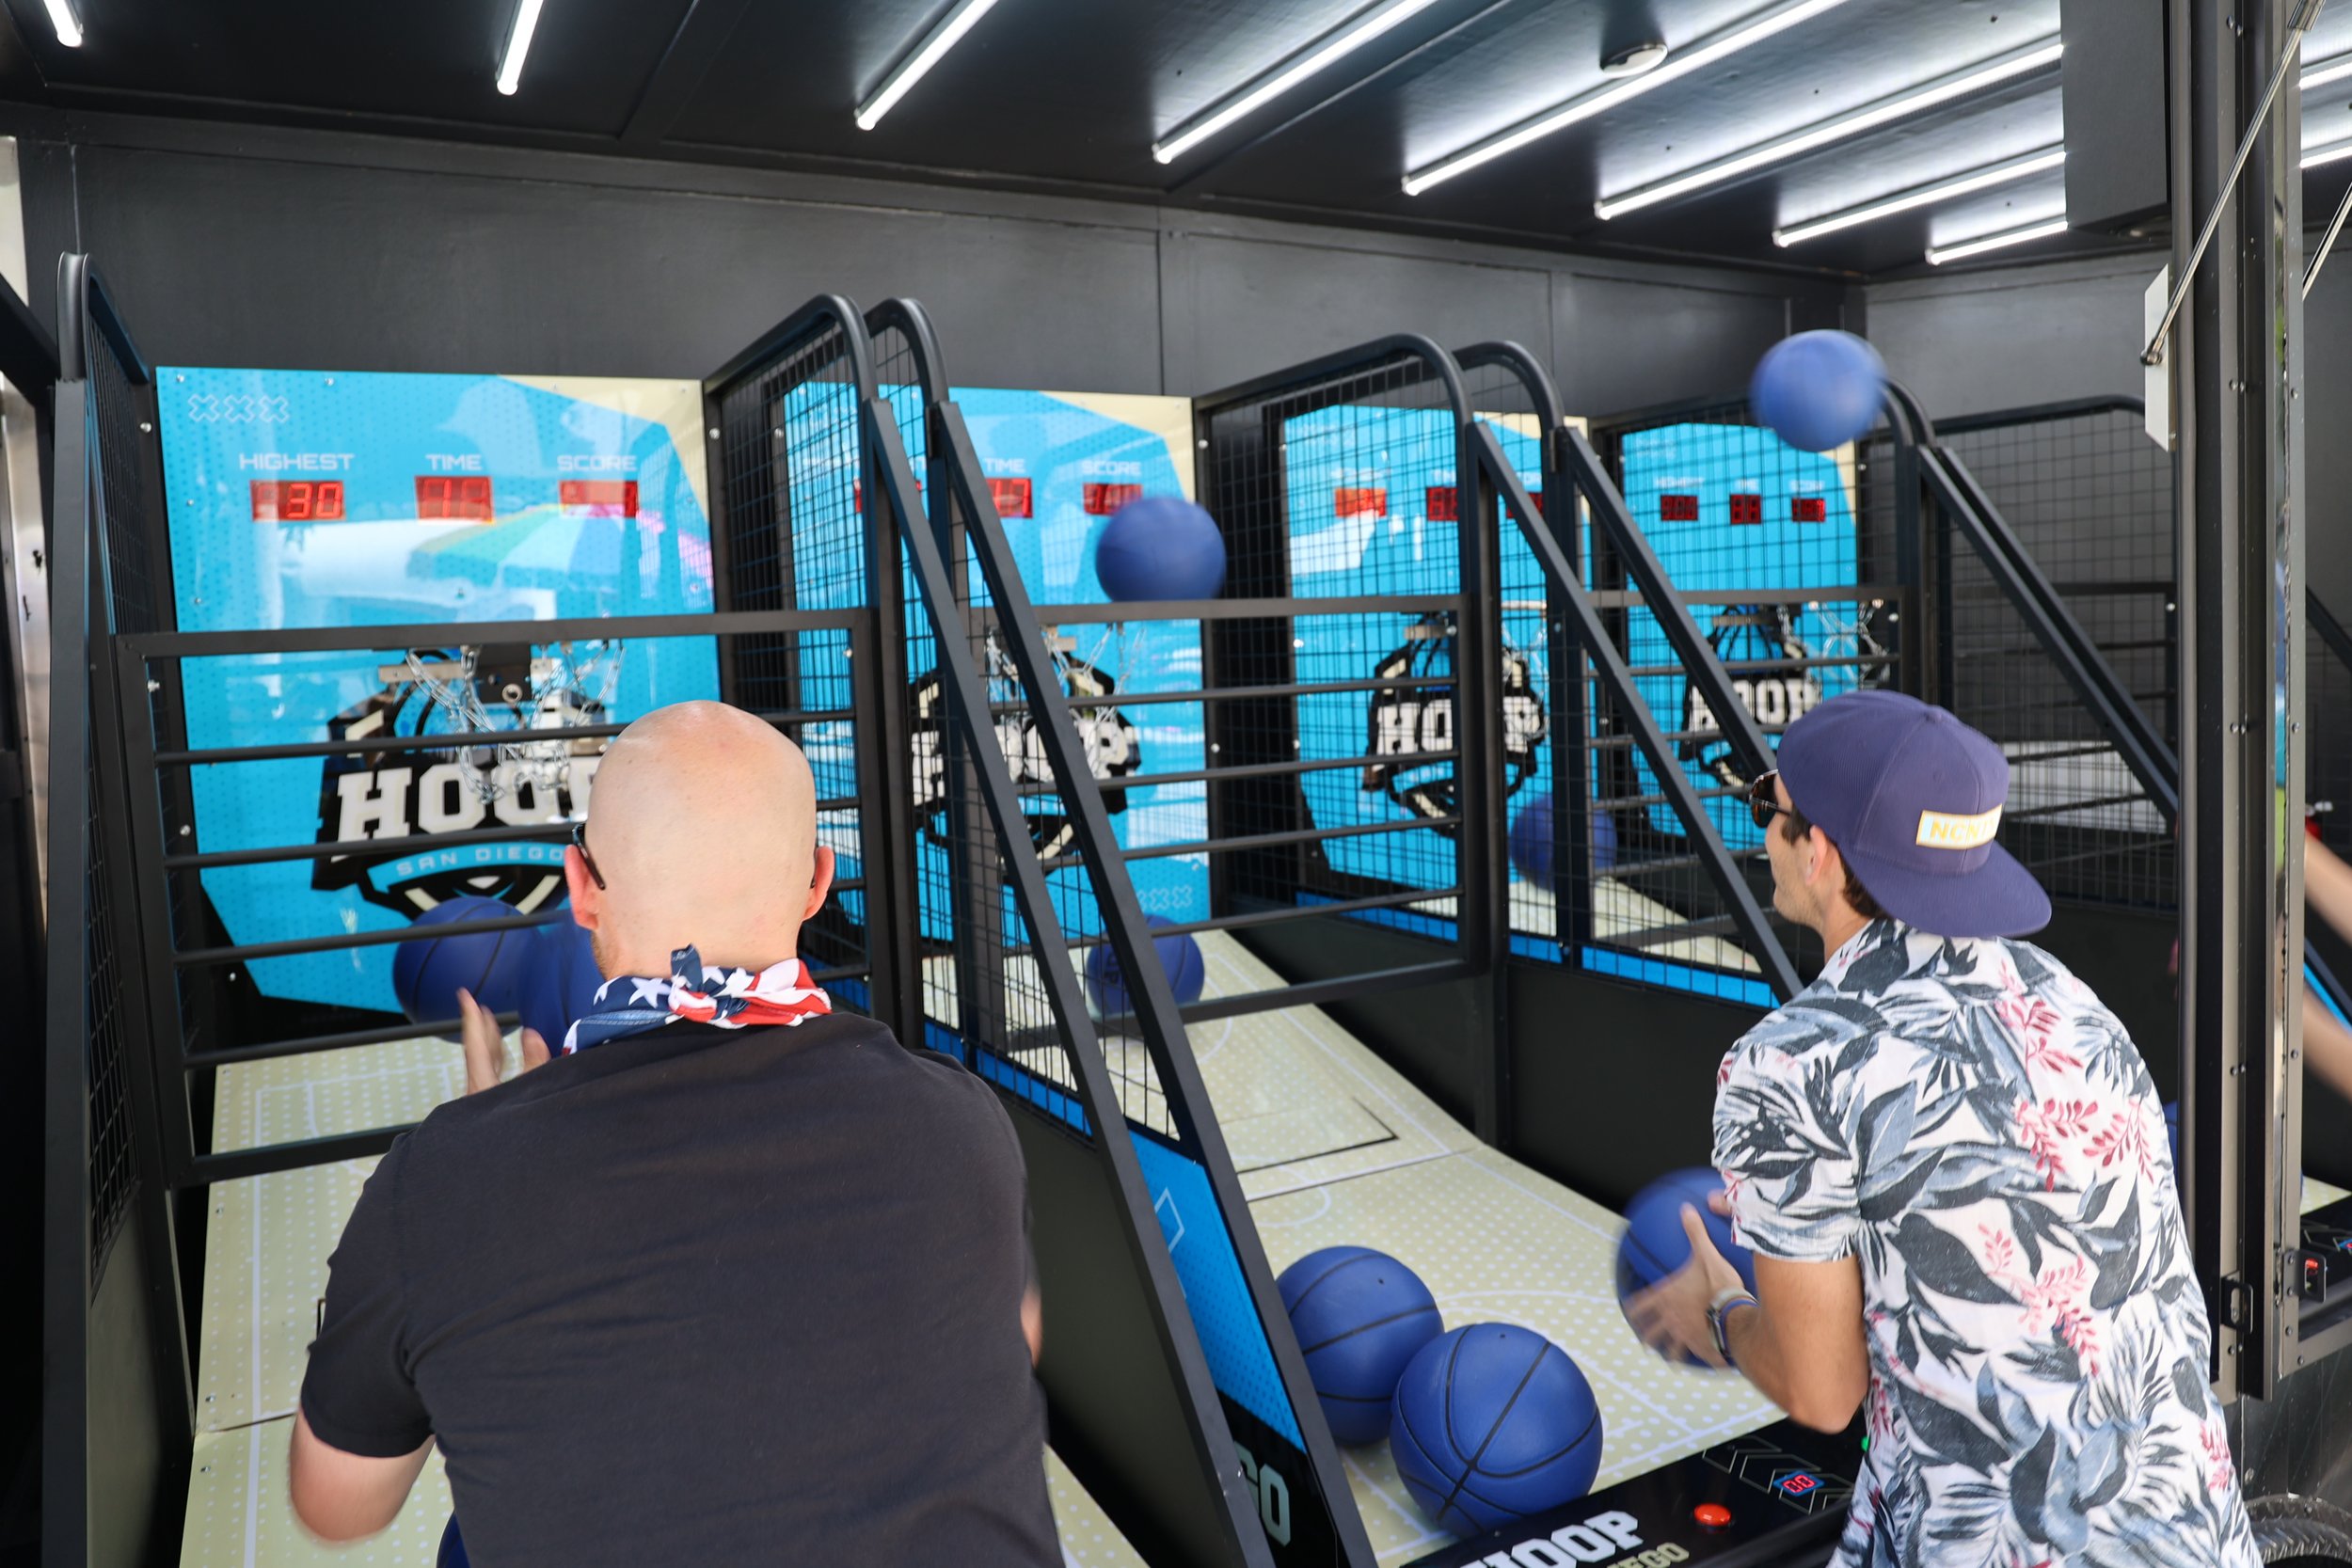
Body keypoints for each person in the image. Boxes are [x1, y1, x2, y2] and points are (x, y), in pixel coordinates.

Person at [288, 701, 1058, 1566]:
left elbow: (338, 1505)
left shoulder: (439, 1182)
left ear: (580, 888)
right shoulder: (961, 1119)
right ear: (818, 881)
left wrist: (478, 1170)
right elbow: (1016, 1339)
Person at [1627, 689, 2257, 1568]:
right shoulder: (2071, 1002)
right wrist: (1816, 1230)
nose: (1762, 826)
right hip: (2198, 1531)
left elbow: (1823, 1393)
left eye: (1769, 801)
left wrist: (1723, 1310)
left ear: (1820, 850)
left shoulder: (1787, 1066)